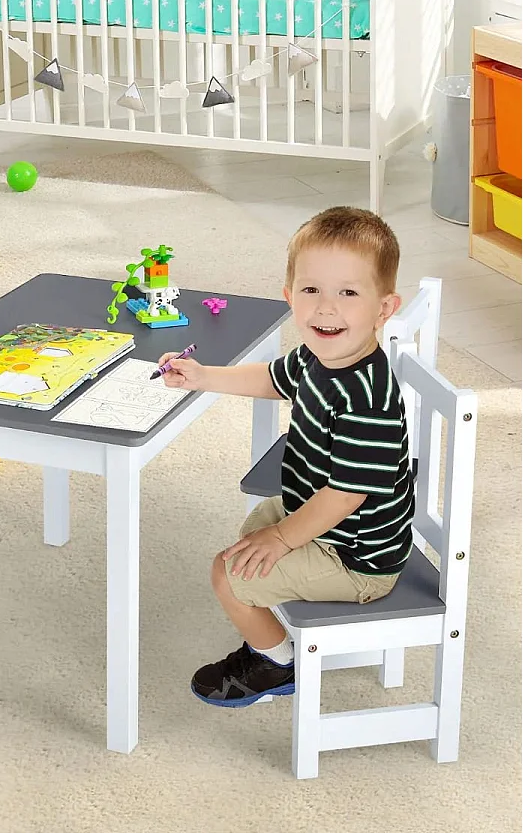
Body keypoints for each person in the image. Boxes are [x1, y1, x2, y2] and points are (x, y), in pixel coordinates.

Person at [156, 206, 415, 707]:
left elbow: (345, 496)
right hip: (319, 516)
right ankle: (270, 623)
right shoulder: (318, 357)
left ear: (384, 308)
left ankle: (276, 663)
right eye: (311, 290)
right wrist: (203, 375)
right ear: (289, 296)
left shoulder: (367, 397)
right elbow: (272, 379)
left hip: (357, 558)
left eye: (348, 293)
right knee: (251, 532)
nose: (326, 309)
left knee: (228, 573)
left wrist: (281, 538)